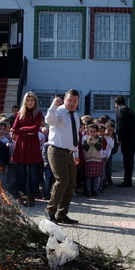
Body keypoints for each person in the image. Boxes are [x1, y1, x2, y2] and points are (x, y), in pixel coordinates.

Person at [44, 90, 83, 224]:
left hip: (70, 153)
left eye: (75, 101)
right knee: (62, 180)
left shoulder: (75, 115)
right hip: (57, 151)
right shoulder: (59, 111)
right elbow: (49, 120)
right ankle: (50, 211)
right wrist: (54, 105)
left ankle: (62, 214)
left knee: (71, 183)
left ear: (78, 102)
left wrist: (76, 154)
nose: (72, 103)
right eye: (69, 100)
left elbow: (75, 136)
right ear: (65, 99)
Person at [113, 95, 135, 187]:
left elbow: (120, 126)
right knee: (130, 160)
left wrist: (119, 138)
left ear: (117, 103)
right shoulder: (129, 110)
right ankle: (128, 179)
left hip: (127, 139)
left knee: (127, 160)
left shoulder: (121, 110)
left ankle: (127, 180)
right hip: (133, 138)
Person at [79, 123, 105, 197]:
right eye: (91, 132)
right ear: (88, 132)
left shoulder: (99, 138)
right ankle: (88, 190)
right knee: (88, 177)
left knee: (96, 176)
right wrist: (88, 142)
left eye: (94, 131)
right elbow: (85, 148)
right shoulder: (85, 138)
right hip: (88, 160)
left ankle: (95, 190)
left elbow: (99, 147)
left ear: (97, 132)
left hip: (96, 159)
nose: (92, 133)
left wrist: (94, 142)